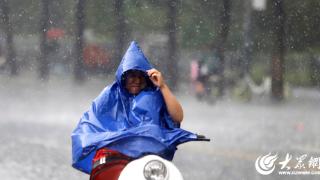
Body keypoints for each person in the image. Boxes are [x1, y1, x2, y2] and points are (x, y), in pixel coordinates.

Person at [71, 41, 200, 179]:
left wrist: (162, 86)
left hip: (149, 160)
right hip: (113, 158)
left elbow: (177, 117)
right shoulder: (110, 95)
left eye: (141, 76)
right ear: (123, 77)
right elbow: (91, 122)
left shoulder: (155, 95)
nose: (136, 80)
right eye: (132, 75)